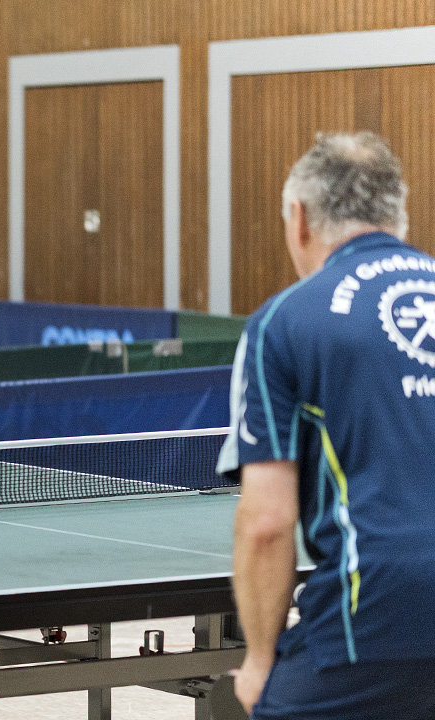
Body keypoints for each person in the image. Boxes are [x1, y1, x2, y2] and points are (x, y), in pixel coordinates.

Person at [219, 131, 435, 718]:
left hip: (372, 619)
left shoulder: (284, 323)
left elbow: (266, 524)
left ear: (299, 219)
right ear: (399, 215)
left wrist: (258, 661)